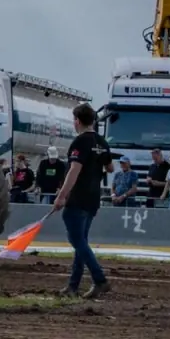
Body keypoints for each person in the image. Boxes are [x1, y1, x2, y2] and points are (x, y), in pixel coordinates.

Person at [49, 103, 109, 300]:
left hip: (78, 197)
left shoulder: (80, 142)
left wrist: (61, 196)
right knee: (81, 242)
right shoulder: (101, 141)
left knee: (77, 241)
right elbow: (110, 167)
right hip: (93, 198)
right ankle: (73, 286)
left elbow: (74, 170)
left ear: (77, 121)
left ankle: (99, 279)